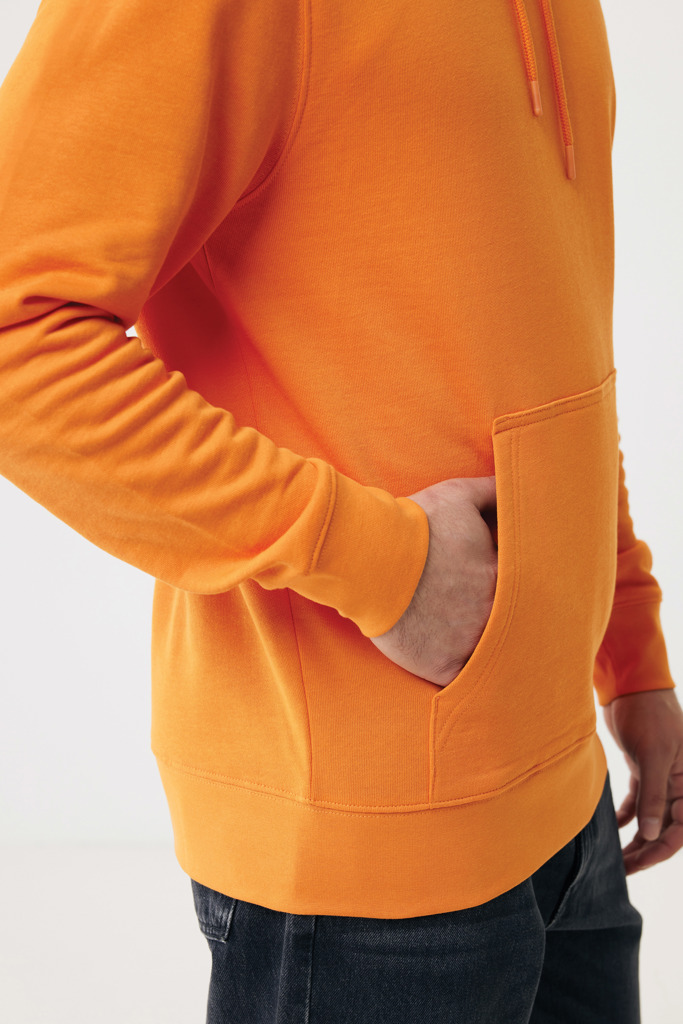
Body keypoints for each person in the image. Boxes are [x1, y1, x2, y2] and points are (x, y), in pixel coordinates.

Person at [0, 0, 681, 1021]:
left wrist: (631, 654)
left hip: (563, 796)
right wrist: (377, 562)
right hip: (361, 856)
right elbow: (16, 336)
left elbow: (547, 347)